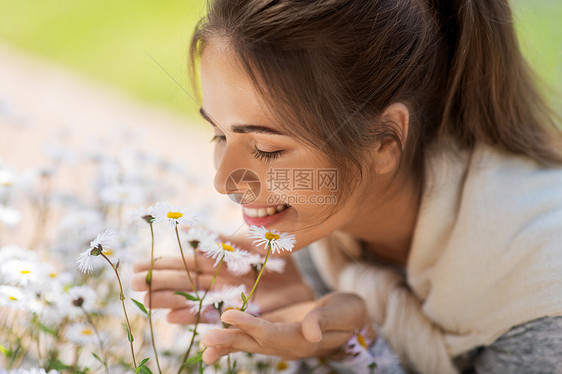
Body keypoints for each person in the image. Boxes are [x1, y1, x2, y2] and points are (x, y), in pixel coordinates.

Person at [131, 0, 562, 372]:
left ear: (384, 142)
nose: (224, 181)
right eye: (220, 135)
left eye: (264, 147)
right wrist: (330, 330)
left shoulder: (541, 292)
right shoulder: (328, 235)